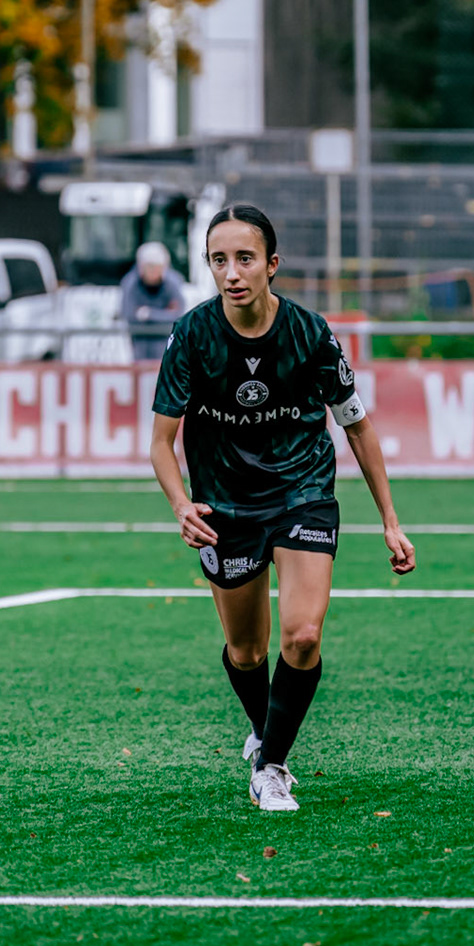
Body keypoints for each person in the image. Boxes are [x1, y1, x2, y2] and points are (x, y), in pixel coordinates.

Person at [151, 204, 417, 813]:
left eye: (244, 258)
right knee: (246, 651)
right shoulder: (192, 334)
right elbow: (161, 443)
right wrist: (179, 503)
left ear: (272, 264)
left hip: (303, 493)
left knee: (301, 636)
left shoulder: (310, 333)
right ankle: (265, 733)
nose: (232, 272)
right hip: (225, 508)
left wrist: (391, 520)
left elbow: (357, 427)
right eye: (219, 260)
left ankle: (271, 765)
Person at [121, 240, 186, 361]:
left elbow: (178, 315)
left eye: (157, 267)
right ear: (141, 267)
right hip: (139, 344)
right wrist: (164, 314)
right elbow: (128, 313)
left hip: (166, 343)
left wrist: (148, 314)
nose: (154, 272)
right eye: (149, 267)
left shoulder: (173, 283)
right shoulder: (130, 283)